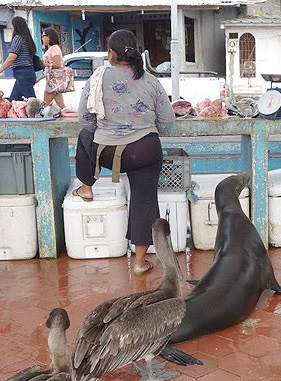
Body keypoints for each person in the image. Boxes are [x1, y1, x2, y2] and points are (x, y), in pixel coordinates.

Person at [74, 30, 175, 275]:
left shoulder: (97, 78)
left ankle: (87, 187)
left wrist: (108, 130)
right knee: (144, 200)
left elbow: (84, 119)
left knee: (85, 136)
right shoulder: (151, 80)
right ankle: (140, 263)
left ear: (111, 53)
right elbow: (167, 121)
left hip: (107, 152)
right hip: (144, 151)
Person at [0, 16, 37, 101]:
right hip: (26, 73)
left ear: (15, 26)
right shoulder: (27, 38)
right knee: (13, 101)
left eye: (12, 26)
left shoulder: (18, 38)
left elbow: (11, 58)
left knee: (32, 101)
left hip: (23, 74)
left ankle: (40, 114)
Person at [36, 28, 67, 109]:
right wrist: (39, 79)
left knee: (44, 104)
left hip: (53, 81)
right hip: (52, 80)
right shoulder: (50, 49)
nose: (42, 38)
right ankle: (69, 115)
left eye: (43, 36)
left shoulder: (55, 48)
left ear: (49, 37)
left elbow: (57, 64)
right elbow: (48, 69)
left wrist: (44, 64)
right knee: (62, 107)